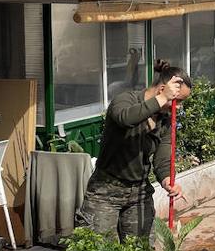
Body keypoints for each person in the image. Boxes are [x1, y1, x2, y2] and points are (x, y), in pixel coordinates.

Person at [77, 59, 191, 240]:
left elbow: (163, 158)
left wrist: (168, 181)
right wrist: (161, 100)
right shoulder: (125, 100)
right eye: (178, 101)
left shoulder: (165, 120)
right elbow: (125, 119)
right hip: (105, 191)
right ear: (163, 90)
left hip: (139, 193)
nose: (179, 107)